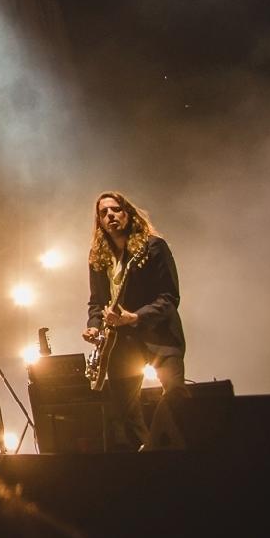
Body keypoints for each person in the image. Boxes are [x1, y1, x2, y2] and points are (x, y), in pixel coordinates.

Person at [82, 190, 187, 449]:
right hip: (121, 342)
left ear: (127, 213)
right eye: (104, 213)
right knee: (124, 412)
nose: (110, 215)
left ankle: (168, 450)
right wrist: (93, 326)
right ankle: (147, 456)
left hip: (160, 335)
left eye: (116, 209)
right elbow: (97, 301)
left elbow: (169, 297)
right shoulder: (98, 258)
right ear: (99, 221)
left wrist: (136, 316)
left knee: (175, 393)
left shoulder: (153, 247)